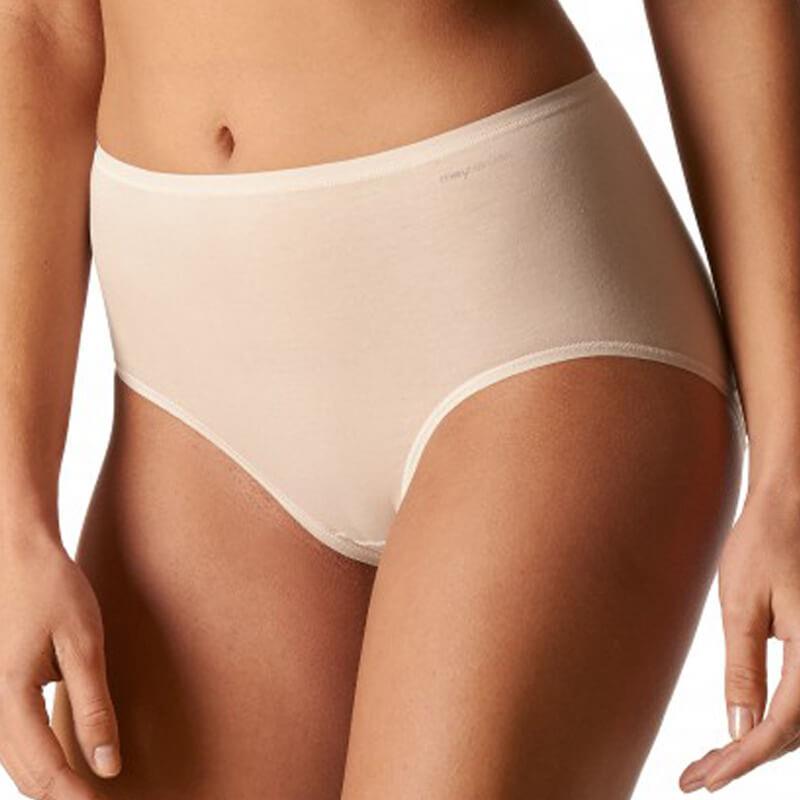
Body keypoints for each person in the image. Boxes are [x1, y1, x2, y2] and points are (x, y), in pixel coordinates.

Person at [1, 0, 798, 797]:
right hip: (187, 383)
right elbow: (36, 25)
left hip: (514, 311)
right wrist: (12, 513)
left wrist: (790, 471)